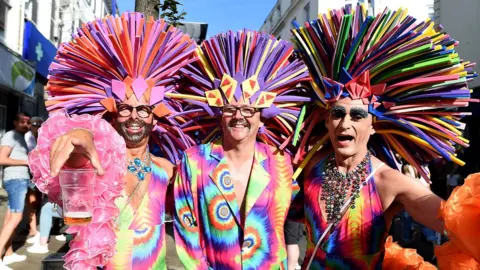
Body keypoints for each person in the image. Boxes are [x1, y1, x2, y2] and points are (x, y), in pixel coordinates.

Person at [290, 5, 477, 269]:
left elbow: (458, 225)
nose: (345, 123)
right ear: (326, 121)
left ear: (373, 125)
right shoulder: (311, 165)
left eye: (356, 115)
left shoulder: (388, 181)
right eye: (337, 114)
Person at [27, 12, 197, 269]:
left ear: (155, 119)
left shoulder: (167, 169)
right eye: (125, 108)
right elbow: (71, 164)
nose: (134, 116)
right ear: (114, 115)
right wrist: (79, 135)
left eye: (144, 109)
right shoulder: (99, 164)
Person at [172, 30, 311, 269]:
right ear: (219, 115)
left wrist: (292, 260)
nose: (239, 117)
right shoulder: (194, 160)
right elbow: (187, 229)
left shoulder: (282, 162)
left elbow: (295, 217)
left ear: (262, 117)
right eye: (230, 109)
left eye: (248, 110)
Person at [0, 112, 31, 269]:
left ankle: (9, 253)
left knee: (9, 218)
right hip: (15, 180)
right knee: (16, 218)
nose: (26, 124)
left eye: (28, 122)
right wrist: (27, 161)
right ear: (14, 122)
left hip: (19, 180)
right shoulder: (10, 136)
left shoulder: (20, 137)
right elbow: (1, 158)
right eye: (22, 121)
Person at [24, 116, 44, 242]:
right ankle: (32, 229)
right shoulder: (28, 137)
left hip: (37, 173)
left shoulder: (38, 137)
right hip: (29, 173)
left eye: (39, 124)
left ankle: (31, 226)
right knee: (32, 200)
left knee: (36, 200)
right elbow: (31, 154)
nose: (37, 126)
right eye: (35, 124)